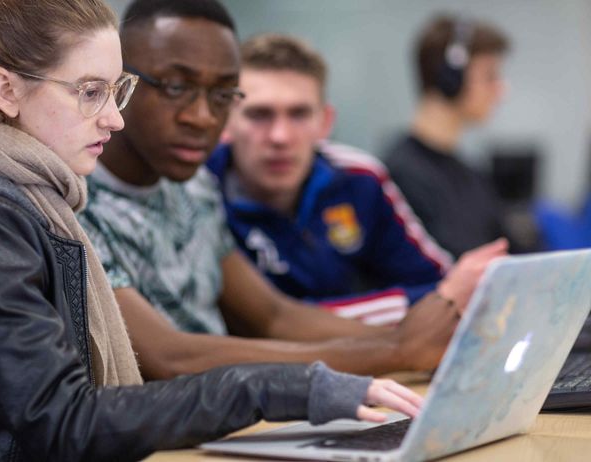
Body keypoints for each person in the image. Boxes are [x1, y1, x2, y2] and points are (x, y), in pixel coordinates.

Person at [0, 1, 425, 459]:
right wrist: (284, 386)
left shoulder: (31, 203)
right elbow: (65, 424)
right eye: (90, 92)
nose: (114, 117)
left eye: (117, 91)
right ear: (7, 91)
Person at [79, 0, 508, 381]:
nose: (203, 116)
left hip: (232, 410)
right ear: (121, 82)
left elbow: (274, 316)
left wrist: (417, 341)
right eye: (175, 86)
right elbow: (167, 356)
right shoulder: (75, 203)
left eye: (223, 93)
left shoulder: (194, 187)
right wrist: (395, 350)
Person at [207, 33, 455, 324]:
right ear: (225, 122)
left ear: (325, 122)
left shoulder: (359, 178)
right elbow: (255, 326)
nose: (280, 137)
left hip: (359, 360)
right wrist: (396, 309)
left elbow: (444, 290)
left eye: (299, 114)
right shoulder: (198, 191)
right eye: (259, 114)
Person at [384, 15, 510, 258]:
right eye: (490, 76)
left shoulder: (472, 174)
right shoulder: (401, 175)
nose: (502, 90)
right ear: (450, 79)